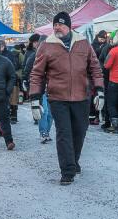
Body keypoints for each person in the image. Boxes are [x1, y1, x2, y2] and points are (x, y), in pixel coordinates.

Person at [30, 12, 104, 185]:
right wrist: (35, 98)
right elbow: (37, 74)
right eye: (55, 25)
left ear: (69, 27)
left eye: (61, 25)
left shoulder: (83, 43)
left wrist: (99, 90)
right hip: (57, 97)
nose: (57, 28)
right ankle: (67, 171)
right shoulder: (47, 45)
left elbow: (95, 67)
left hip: (81, 96)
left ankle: (74, 160)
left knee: (79, 131)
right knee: (64, 133)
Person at [23, 35, 53, 143]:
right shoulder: (33, 57)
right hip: (40, 89)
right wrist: (27, 82)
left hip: (52, 88)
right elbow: (26, 72)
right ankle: (43, 132)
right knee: (43, 111)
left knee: (51, 113)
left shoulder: (53, 56)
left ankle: (47, 131)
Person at [0, 39, 22, 124]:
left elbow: (14, 66)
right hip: (2, 80)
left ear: (4, 46)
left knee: (13, 99)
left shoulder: (10, 54)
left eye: (2, 46)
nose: (1, 48)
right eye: (0, 46)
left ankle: (13, 116)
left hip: (11, 79)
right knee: (5, 100)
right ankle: (6, 115)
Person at [90, 30, 107, 125]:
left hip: (103, 75)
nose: (102, 40)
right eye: (101, 38)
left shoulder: (106, 46)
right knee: (96, 95)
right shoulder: (93, 45)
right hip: (96, 75)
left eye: (104, 39)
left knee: (99, 95)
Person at [99, 32, 115, 129]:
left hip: (109, 78)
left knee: (109, 100)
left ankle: (109, 121)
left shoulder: (107, 48)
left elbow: (104, 63)